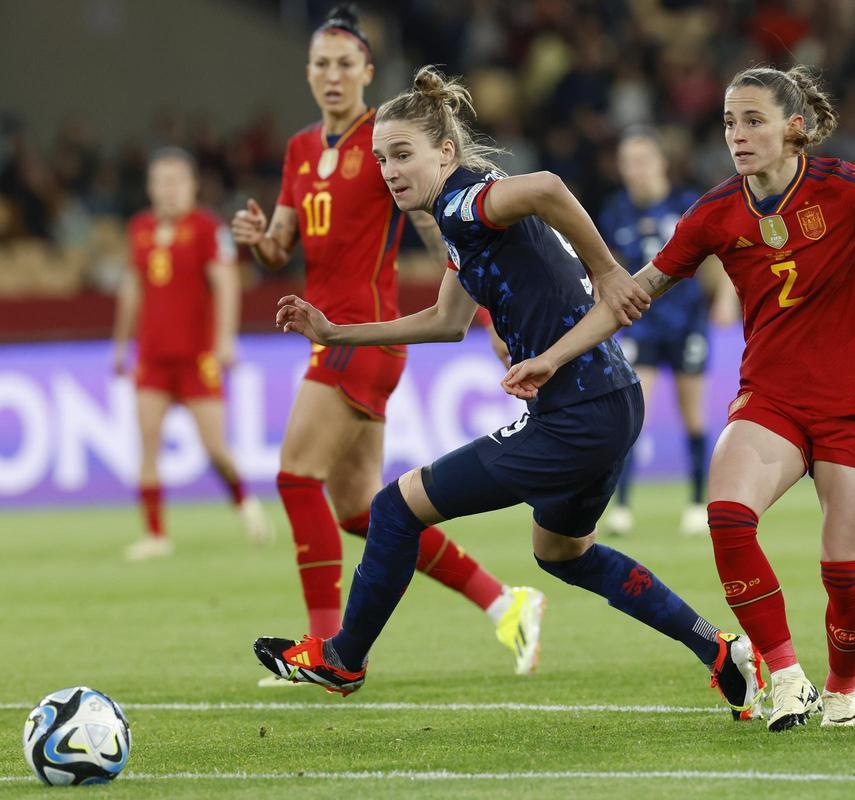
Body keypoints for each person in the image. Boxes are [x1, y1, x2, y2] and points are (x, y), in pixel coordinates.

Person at [504, 64, 855, 731]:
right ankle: (786, 676)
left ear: (793, 128)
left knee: (845, 575)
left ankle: (842, 691)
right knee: (727, 516)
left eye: (752, 121)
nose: (736, 136)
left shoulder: (843, 185)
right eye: (728, 123)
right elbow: (633, 294)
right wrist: (551, 357)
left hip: (854, 403)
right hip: (770, 398)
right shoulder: (714, 213)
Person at [251, 66, 767, 722]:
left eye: (403, 155)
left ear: (444, 151)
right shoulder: (460, 213)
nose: (389, 171)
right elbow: (446, 322)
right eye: (381, 159)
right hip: (608, 401)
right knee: (563, 553)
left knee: (394, 508)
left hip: (576, 411)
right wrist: (334, 331)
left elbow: (547, 187)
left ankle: (343, 658)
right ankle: (719, 649)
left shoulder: (464, 203)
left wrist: (609, 272)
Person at [229, 6, 543, 681]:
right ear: (308, 73)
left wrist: (487, 318)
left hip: (363, 333)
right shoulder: (300, 149)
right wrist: (260, 242)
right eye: (321, 64)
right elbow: (283, 246)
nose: (332, 75)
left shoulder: (387, 142)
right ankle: (504, 601)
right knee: (358, 512)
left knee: (294, 476)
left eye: (345, 63)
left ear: (367, 71)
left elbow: (441, 230)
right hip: (332, 334)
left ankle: (326, 649)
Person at [113, 147, 272, 561]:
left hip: (196, 356)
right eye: (161, 182)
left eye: (176, 182)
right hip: (152, 356)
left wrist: (225, 340)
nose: (168, 191)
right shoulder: (140, 228)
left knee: (215, 449)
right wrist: (120, 344)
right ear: (150, 187)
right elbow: (132, 289)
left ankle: (245, 503)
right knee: (148, 441)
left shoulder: (206, 228)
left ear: (191, 186)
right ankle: (155, 534)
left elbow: (226, 284)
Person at [596, 129, 737, 537]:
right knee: (632, 415)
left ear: (661, 163)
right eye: (628, 163)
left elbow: (723, 254)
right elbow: (607, 269)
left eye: (642, 161)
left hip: (687, 322)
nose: (635, 170)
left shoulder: (686, 203)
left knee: (692, 415)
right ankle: (621, 508)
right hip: (641, 324)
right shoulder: (616, 211)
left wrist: (726, 298)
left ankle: (697, 502)